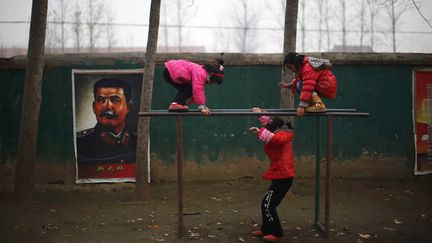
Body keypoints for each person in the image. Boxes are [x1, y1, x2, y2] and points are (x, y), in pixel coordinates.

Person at [249, 107, 295, 242]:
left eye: (269, 127)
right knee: (266, 203)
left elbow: (274, 140)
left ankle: (276, 232)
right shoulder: (277, 131)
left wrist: (259, 132)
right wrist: (260, 114)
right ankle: (266, 229)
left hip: (284, 177)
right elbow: (268, 126)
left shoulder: (284, 134)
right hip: (279, 175)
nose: (266, 128)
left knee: (268, 204)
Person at [76, 78, 137, 163]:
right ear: (94, 107)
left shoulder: (139, 141)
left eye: (115, 100)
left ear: (128, 107)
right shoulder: (79, 144)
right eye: (101, 100)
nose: (107, 106)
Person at [279, 52, 337, 117]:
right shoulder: (304, 66)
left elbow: (308, 85)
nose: (291, 70)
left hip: (326, 84)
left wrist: (302, 106)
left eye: (290, 67)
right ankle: (315, 104)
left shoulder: (307, 67)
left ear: (295, 63)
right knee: (299, 85)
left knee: (301, 85)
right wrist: (289, 85)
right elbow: (302, 80)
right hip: (326, 84)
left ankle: (318, 104)